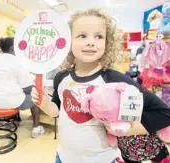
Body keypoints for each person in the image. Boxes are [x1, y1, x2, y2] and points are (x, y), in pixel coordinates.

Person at [31, 9, 170, 163]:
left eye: (99, 36)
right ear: (68, 41)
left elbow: (164, 113)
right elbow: (57, 111)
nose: (91, 42)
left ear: (107, 42)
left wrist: (128, 130)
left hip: (103, 159)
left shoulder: (115, 80)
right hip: (63, 157)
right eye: (82, 36)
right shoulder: (61, 77)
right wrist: (44, 104)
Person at [0, 37, 44, 138]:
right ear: (12, 48)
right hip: (7, 102)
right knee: (35, 96)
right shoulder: (17, 61)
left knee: (15, 92)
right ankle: (36, 129)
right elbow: (27, 87)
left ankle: (16, 119)